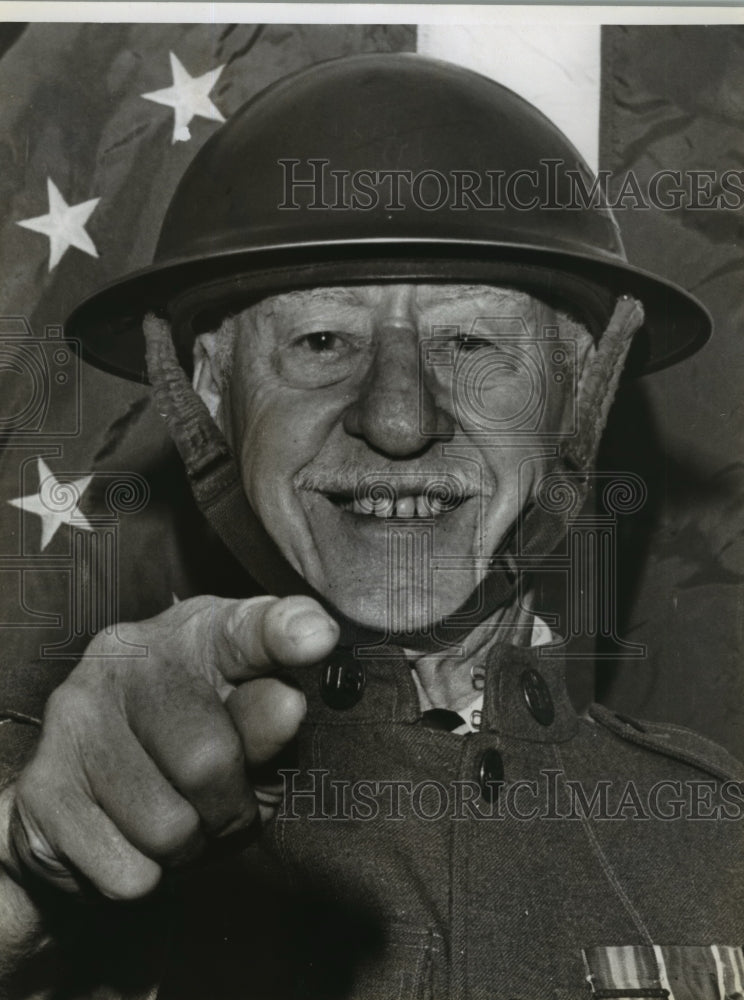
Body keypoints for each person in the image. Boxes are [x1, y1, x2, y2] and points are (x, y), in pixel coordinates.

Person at [1, 53, 743, 1000]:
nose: (398, 420)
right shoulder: (83, 798)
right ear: (209, 390)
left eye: (471, 342)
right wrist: (25, 882)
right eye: (321, 341)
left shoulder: (719, 837)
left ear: (579, 392)